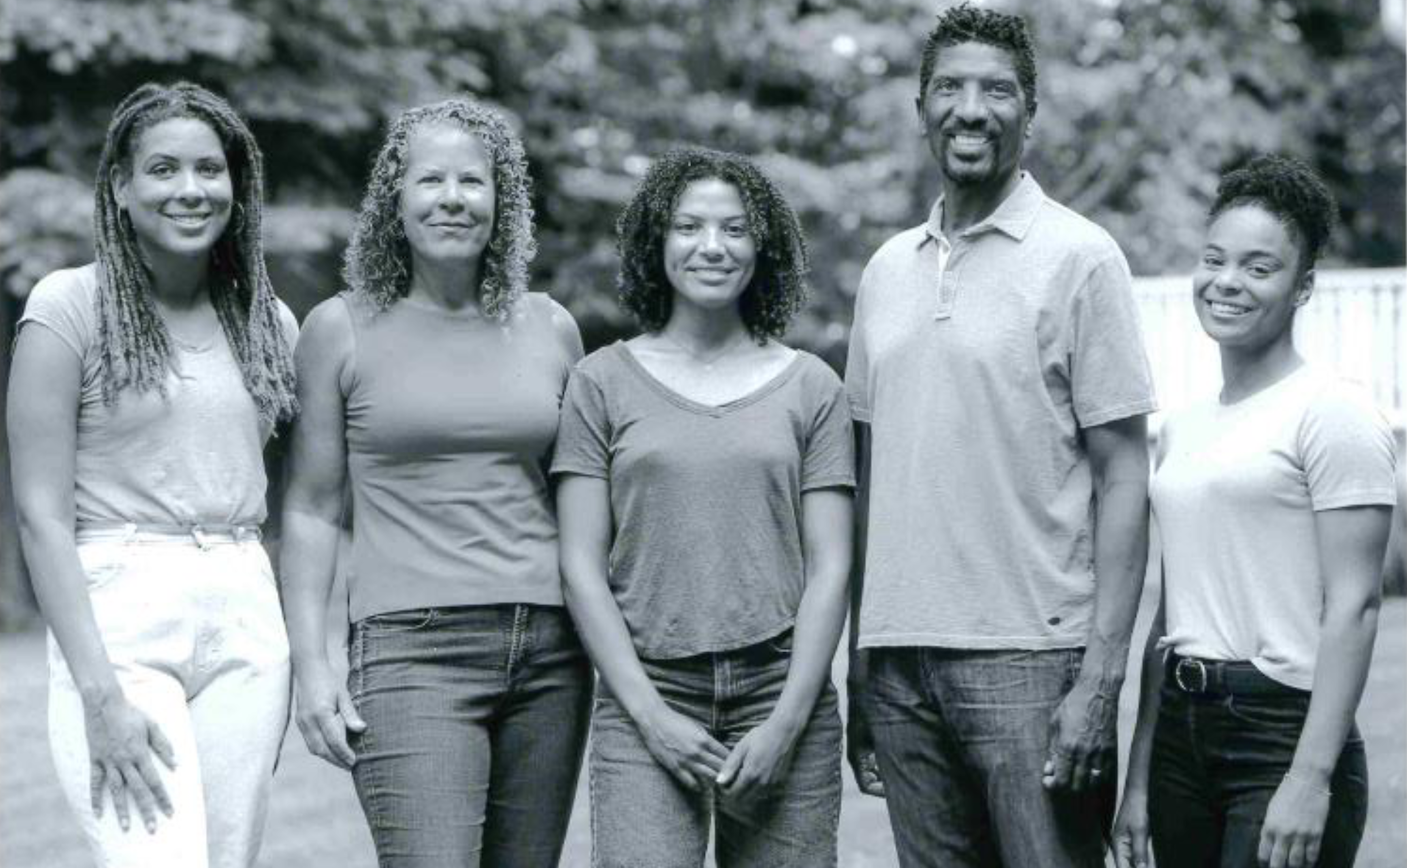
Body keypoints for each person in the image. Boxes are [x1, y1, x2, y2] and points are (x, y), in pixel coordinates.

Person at [843, 5, 1159, 866]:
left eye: (996, 90)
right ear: (920, 108)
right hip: (900, 664)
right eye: (948, 88)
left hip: (1032, 658)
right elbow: (872, 477)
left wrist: (1100, 676)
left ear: (1030, 111)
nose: (969, 109)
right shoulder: (884, 272)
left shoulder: (1079, 257)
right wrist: (860, 662)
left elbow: (1123, 474)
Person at [279, 98, 591, 867]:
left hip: (551, 653)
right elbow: (312, 509)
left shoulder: (551, 327)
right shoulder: (339, 328)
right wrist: (312, 667)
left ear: (501, 202)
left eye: (472, 182)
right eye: (429, 180)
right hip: (410, 651)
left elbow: (585, 504)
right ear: (395, 200)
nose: (452, 198)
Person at [7, 82, 299, 868]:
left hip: (243, 609)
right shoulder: (68, 308)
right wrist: (99, 694)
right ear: (121, 188)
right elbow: (40, 517)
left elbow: (297, 499)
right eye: (163, 169)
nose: (190, 189)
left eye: (210, 169)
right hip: (121, 608)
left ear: (237, 188)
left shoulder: (269, 322)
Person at [553, 146, 854, 868]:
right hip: (646, 691)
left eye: (734, 229)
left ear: (763, 247)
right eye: (688, 228)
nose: (711, 247)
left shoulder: (811, 387)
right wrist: (651, 720)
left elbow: (831, 567)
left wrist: (785, 724)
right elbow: (578, 565)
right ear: (656, 243)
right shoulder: (600, 384)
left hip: (782, 688)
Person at [1113, 156, 1396, 868]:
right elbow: (1172, 615)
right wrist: (1140, 778)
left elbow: (1354, 606)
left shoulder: (1331, 412)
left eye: (1258, 267)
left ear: (1302, 287)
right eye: (1213, 259)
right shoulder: (1182, 425)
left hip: (1281, 731)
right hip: (1182, 729)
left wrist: (1309, 779)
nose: (1226, 282)